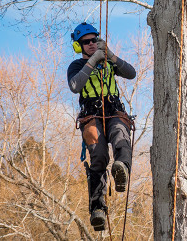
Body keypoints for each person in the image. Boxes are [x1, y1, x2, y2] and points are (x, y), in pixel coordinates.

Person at [67, 22, 136, 231]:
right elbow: (75, 86)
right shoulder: (76, 66)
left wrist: (111, 55)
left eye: (94, 41)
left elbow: (131, 73)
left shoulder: (109, 62)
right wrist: (93, 61)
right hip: (92, 115)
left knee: (119, 135)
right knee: (98, 155)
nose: (91, 44)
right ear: (79, 46)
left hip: (114, 111)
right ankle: (97, 208)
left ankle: (122, 168)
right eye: (86, 42)